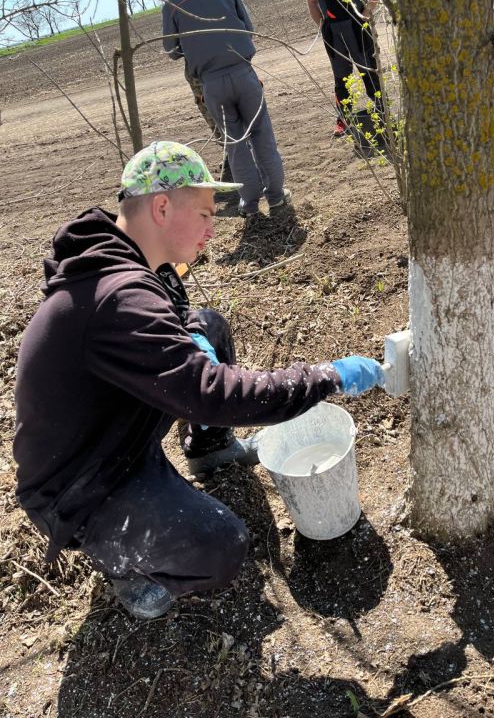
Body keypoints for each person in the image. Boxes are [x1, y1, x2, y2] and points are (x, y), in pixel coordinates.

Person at [12, 140, 385, 621]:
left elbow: (179, 317)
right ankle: (121, 561)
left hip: (115, 432)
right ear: (161, 207)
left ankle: (209, 451)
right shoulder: (117, 298)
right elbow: (215, 394)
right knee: (221, 547)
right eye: (205, 213)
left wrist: (192, 334)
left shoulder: (140, 265)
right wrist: (326, 376)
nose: (213, 227)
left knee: (207, 325)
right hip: (83, 485)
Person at [162, 0, 288, 218]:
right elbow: (248, 27)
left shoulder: (172, 2)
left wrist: (195, 46)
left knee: (236, 145)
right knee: (262, 135)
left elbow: (171, 50)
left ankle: (250, 204)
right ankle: (276, 197)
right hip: (244, 73)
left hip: (212, 84)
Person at [159, 0, 233, 188]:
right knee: (231, 118)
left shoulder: (176, 1)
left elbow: (172, 50)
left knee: (219, 120)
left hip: (202, 72)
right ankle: (235, 160)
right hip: (231, 62)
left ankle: (234, 166)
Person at [306, 0, 383, 138]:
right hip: (333, 33)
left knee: (369, 71)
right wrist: (324, 27)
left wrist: (366, 14)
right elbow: (311, 1)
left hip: (358, 27)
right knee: (341, 79)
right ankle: (344, 120)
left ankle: (382, 112)